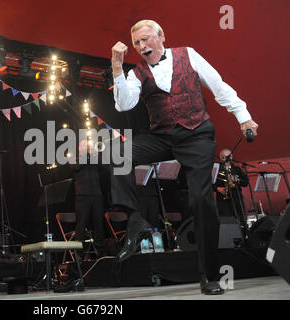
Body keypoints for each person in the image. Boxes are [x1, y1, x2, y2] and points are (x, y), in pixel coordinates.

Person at [110, 19, 258, 295]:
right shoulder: (136, 72)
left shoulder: (187, 54)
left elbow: (218, 85)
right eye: (137, 43)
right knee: (118, 151)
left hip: (196, 134)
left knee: (201, 200)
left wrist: (244, 117)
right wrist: (117, 66)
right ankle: (135, 221)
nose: (143, 46)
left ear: (161, 36)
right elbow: (124, 104)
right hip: (162, 135)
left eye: (146, 39)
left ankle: (209, 275)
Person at [72, 140, 107, 259]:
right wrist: (88, 155)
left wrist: (96, 155)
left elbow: (104, 168)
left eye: (87, 145)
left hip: (97, 194)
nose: (86, 147)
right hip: (82, 195)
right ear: (79, 147)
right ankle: (79, 253)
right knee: (81, 224)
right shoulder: (75, 158)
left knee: (99, 223)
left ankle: (100, 251)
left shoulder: (94, 158)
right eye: (83, 145)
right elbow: (76, 167)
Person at [215, 148, 249, 220]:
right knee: (226, 220)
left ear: (231, 157)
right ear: (221, 158)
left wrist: (238, 180)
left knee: (241, 219)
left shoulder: (237, 169)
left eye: (229, 156)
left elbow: (246, 182)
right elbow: (209, 184)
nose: (227, 158)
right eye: (224, 157)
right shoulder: (216, 168)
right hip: (223, 200)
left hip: (237, 198)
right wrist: (218, 188)